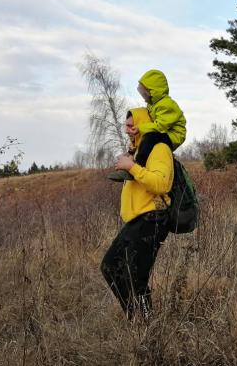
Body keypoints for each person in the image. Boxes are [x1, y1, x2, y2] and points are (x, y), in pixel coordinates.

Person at [100, 107, 174, 320]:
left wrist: (131, 167)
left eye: (133, 125)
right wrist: (128, 163)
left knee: (136, 277)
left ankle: (147, 325)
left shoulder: (158, 148)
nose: (128, 130)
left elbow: (161, 184)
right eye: (126, 125)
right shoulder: (139, 151)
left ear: (143, 124)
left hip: (153, 218)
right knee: (110, 267)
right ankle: (135, 318)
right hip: (138, 220)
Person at [137, 69, 187, 150]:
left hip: (174, 135)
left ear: (153, 91)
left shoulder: (166, 104)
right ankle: (133, 151)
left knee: (150, 139)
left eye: (144, 92)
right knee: (145, 137)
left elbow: (160, 126)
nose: (143, 96)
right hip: (165, 132)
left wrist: (139, 128)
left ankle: (140, 161)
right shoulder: (152, 104)